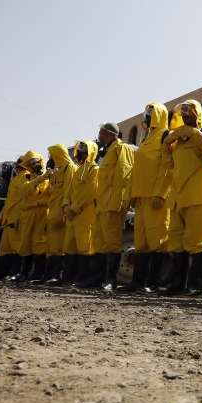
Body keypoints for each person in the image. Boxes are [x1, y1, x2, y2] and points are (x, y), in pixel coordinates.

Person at [156, 100, 202, 297]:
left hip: (198, 197)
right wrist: (166, 145)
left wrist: (196, 135)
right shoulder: (177, 139)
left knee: (199, 242)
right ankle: (177, 284)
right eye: (182, 111)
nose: (184, 114)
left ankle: (195, 285)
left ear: (197, 113)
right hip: (177, 198)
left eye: (188, 111)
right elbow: (170, 166)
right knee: (176, 243)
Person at [119, 103, 172, 294]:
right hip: (140, 199)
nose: (146, 117)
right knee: (140, 241)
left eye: (149, 114)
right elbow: (136, 170)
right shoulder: (146, 139)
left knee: (157, 240)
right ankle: (137, 282)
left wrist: (160, 193)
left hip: (155, 198)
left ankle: (153, 283)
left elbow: (167, 167)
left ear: (158, 115)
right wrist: (128, 195)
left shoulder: (165, 137)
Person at [76, 123, 134, 292]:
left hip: (112, 204)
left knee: (113, 243)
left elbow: (125, 173)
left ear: (108, 133)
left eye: (101, 131)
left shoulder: (121, 148)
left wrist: (120, 200)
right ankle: (96, 278)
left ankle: (111, 280)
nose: (99, 134)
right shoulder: (106, 151)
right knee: (100, 242)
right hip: (102, 205)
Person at [62, 140, 99, 286]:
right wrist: (65, 206)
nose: (80, 150)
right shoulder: (78, 170)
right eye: (81, 147)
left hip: (85, 216)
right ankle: (67, 278)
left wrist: (74, 208)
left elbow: (90, 192)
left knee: (85, 248)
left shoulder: (94, 170)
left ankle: (81, 278)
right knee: (69, 247)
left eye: (84, 148)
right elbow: (69, 191)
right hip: (71, 217)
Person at [13, 151, 50, 283]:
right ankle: (23, 273)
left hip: (42, 212)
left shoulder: (49, 175)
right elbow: (25, 190)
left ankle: (38, 273)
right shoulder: (25, 177)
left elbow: (51, 194)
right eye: (31, 163)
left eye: (36, 161)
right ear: (27, 165)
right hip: (28, 212)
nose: (35, 165)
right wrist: (39, 179)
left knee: (40, 241)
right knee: (25, 241)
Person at [43, 144, 75, 285]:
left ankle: (57, 275)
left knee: (58, 247)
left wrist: (62, 214)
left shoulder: (70, 168)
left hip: (59, 214)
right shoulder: (57, 172)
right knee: (50, 247)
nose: (50, 159)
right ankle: (48, 275)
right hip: (52, 213)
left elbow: (69, 193)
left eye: (52, 156)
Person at [0, 157, 27, 281]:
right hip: (8, 219)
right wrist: (2, 215)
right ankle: (3, 272)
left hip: (16, 220)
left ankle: (16, 273)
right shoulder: (14, 180)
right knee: (4, 248)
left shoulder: (26, 177)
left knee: (16, 248)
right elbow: (9, 201)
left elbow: (26, 200)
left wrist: (19, 217)